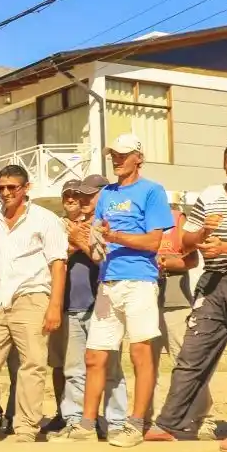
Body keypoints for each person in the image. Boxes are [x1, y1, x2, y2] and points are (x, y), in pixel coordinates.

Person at [148, 141, 227, 452]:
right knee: (192, 354)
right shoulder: (208, 195)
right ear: (224, 163)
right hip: (212, 282)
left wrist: (225, 246)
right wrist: (203, 232)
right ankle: (169, 423)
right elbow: (187, 243)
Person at [52, 134, 173, 447]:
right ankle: (86, 425)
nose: (116, 160)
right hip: (107, 282)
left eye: (122, 155)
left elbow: (153, 241)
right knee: (94, 357)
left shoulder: (153, 191)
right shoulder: (105, 195)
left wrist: (116, 236)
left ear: (138, 158)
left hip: (140, 281)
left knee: (140, 354)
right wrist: (83, 242)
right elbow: (99, 248)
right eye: (113, 155)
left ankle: (135, 425)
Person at [0, 166, 66, 443]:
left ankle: (27, 427)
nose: (6, 193)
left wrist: (54, 305)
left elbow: (58, 263)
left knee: (32, 364)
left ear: (26, 188)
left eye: (12, 188)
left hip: (32, 297)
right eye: (1, 188)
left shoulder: (46, 219)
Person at [49, 176, 129, 437]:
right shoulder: (70, 226)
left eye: (88, 196)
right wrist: (74, 242)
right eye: (79, 195)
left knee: (110, 368)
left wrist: (80, 242)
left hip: (104, 306)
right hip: (75, 305)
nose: (81, 201)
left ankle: (115, 423)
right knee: (74, 369)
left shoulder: (110, 225)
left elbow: (108, 262)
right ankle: (76, 421)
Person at [152, 201, 213, 439]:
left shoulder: (177, 222)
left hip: (175, 302)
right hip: (146, 301)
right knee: (149, 364)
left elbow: (192, 261)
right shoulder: (139, 221)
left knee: (185, 362)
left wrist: (165, 262)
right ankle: (156, 417)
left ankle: (203, 418)